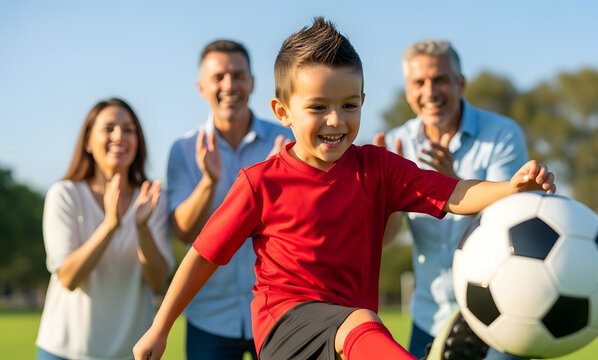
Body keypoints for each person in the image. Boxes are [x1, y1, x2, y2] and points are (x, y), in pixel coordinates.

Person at [133, 17, 555, 360]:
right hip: (285, 329)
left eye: (349, 105)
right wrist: (160, 328)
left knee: (359, 323)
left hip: (352, 343)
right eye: (318, 107)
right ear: (283, 112)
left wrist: (510, 188)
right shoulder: (260, 183)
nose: (336, 120)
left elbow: (455, 193)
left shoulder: (378, 168)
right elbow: (202, 257)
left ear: (362, 102)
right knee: (360, 323)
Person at [374, 40, 529, 359]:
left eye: (440, 79)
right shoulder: (394, 143)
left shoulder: (501, 134)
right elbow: (385, 238)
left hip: (500, 314)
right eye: (419, 82)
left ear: (461, 83)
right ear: (408, 90)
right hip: (429, 319)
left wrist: (452, 184)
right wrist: (393, 201)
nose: (430, 91)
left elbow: (513, 221)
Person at [166, 40, 292, 359]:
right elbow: (182, 230)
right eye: (219, 77)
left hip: (279, 311)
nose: (229, 85)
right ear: (201, 87)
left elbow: (302, 226)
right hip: (209, 317)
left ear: (252, 83)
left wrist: (277, 183)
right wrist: (208, 182)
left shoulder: (288, 139)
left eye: (238, 75)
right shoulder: (182, 149)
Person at [36, 98, 174, 360]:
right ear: (88, 142)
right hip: (63, 351)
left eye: (129, 129)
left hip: (131, 352)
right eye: (108, 128)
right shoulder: (64, 195)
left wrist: (142, 227)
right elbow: (68, 278)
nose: (119, 136)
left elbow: (157, 281)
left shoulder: (153, 197)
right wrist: (110, 223)